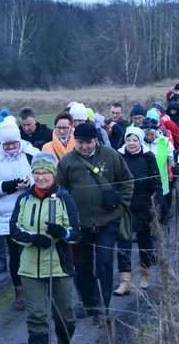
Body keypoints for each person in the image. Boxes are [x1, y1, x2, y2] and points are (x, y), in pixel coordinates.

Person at [9, 152, 80, 344]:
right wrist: (32, 239)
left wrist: (61, 233)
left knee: (63, 314)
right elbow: (14, 229)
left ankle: (64, 338)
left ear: (53, 174)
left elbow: (75, 234)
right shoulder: (24, 199)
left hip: (58, 265)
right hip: (30, 266)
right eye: (37, 173)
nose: (41, 178)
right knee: (36, 316)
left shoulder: (64, 199)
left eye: (45, 173)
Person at [56, 123, 133, 324]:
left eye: (88, 143)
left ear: (96, 141)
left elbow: (127, 181)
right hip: (79, 224)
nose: (84, 147)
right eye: (80, 142)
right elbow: (60, 191)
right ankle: (88, 303)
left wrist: (120, 207)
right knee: (81, 266)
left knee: (105, 263)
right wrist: (66, 218)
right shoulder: (67, 161)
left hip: (107, 222)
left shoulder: (111, 155)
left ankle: (102, 310)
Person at [0, 117, 40, 310]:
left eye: (14, 142)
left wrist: (30, 182)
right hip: (9, 216)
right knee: (15, 255)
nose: (11, 146)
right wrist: (8, 186)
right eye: (7, 144)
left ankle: (37, 290)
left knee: (34, 252)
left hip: (34, 213)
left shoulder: (32, 154)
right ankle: (19, 291)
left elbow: (46, 175)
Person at [114, 127, 165, 295]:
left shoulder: (149, 158)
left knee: (144, 244)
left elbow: (156, 184)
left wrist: (156, 208)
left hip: (144, 206)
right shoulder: (119, 157)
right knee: (123, 244)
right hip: (125, 207)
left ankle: (145, 274)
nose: (131, 143)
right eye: (128, 140)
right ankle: (125, 282)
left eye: (135, 140)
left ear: (140, 141)